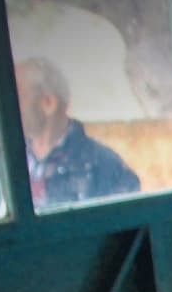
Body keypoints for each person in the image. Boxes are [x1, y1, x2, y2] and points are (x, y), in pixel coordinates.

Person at [14, 56, 140, 207]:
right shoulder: (2, 165)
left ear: (48, 103)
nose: (5, 109)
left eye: (16, 98)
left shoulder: (103, 166)